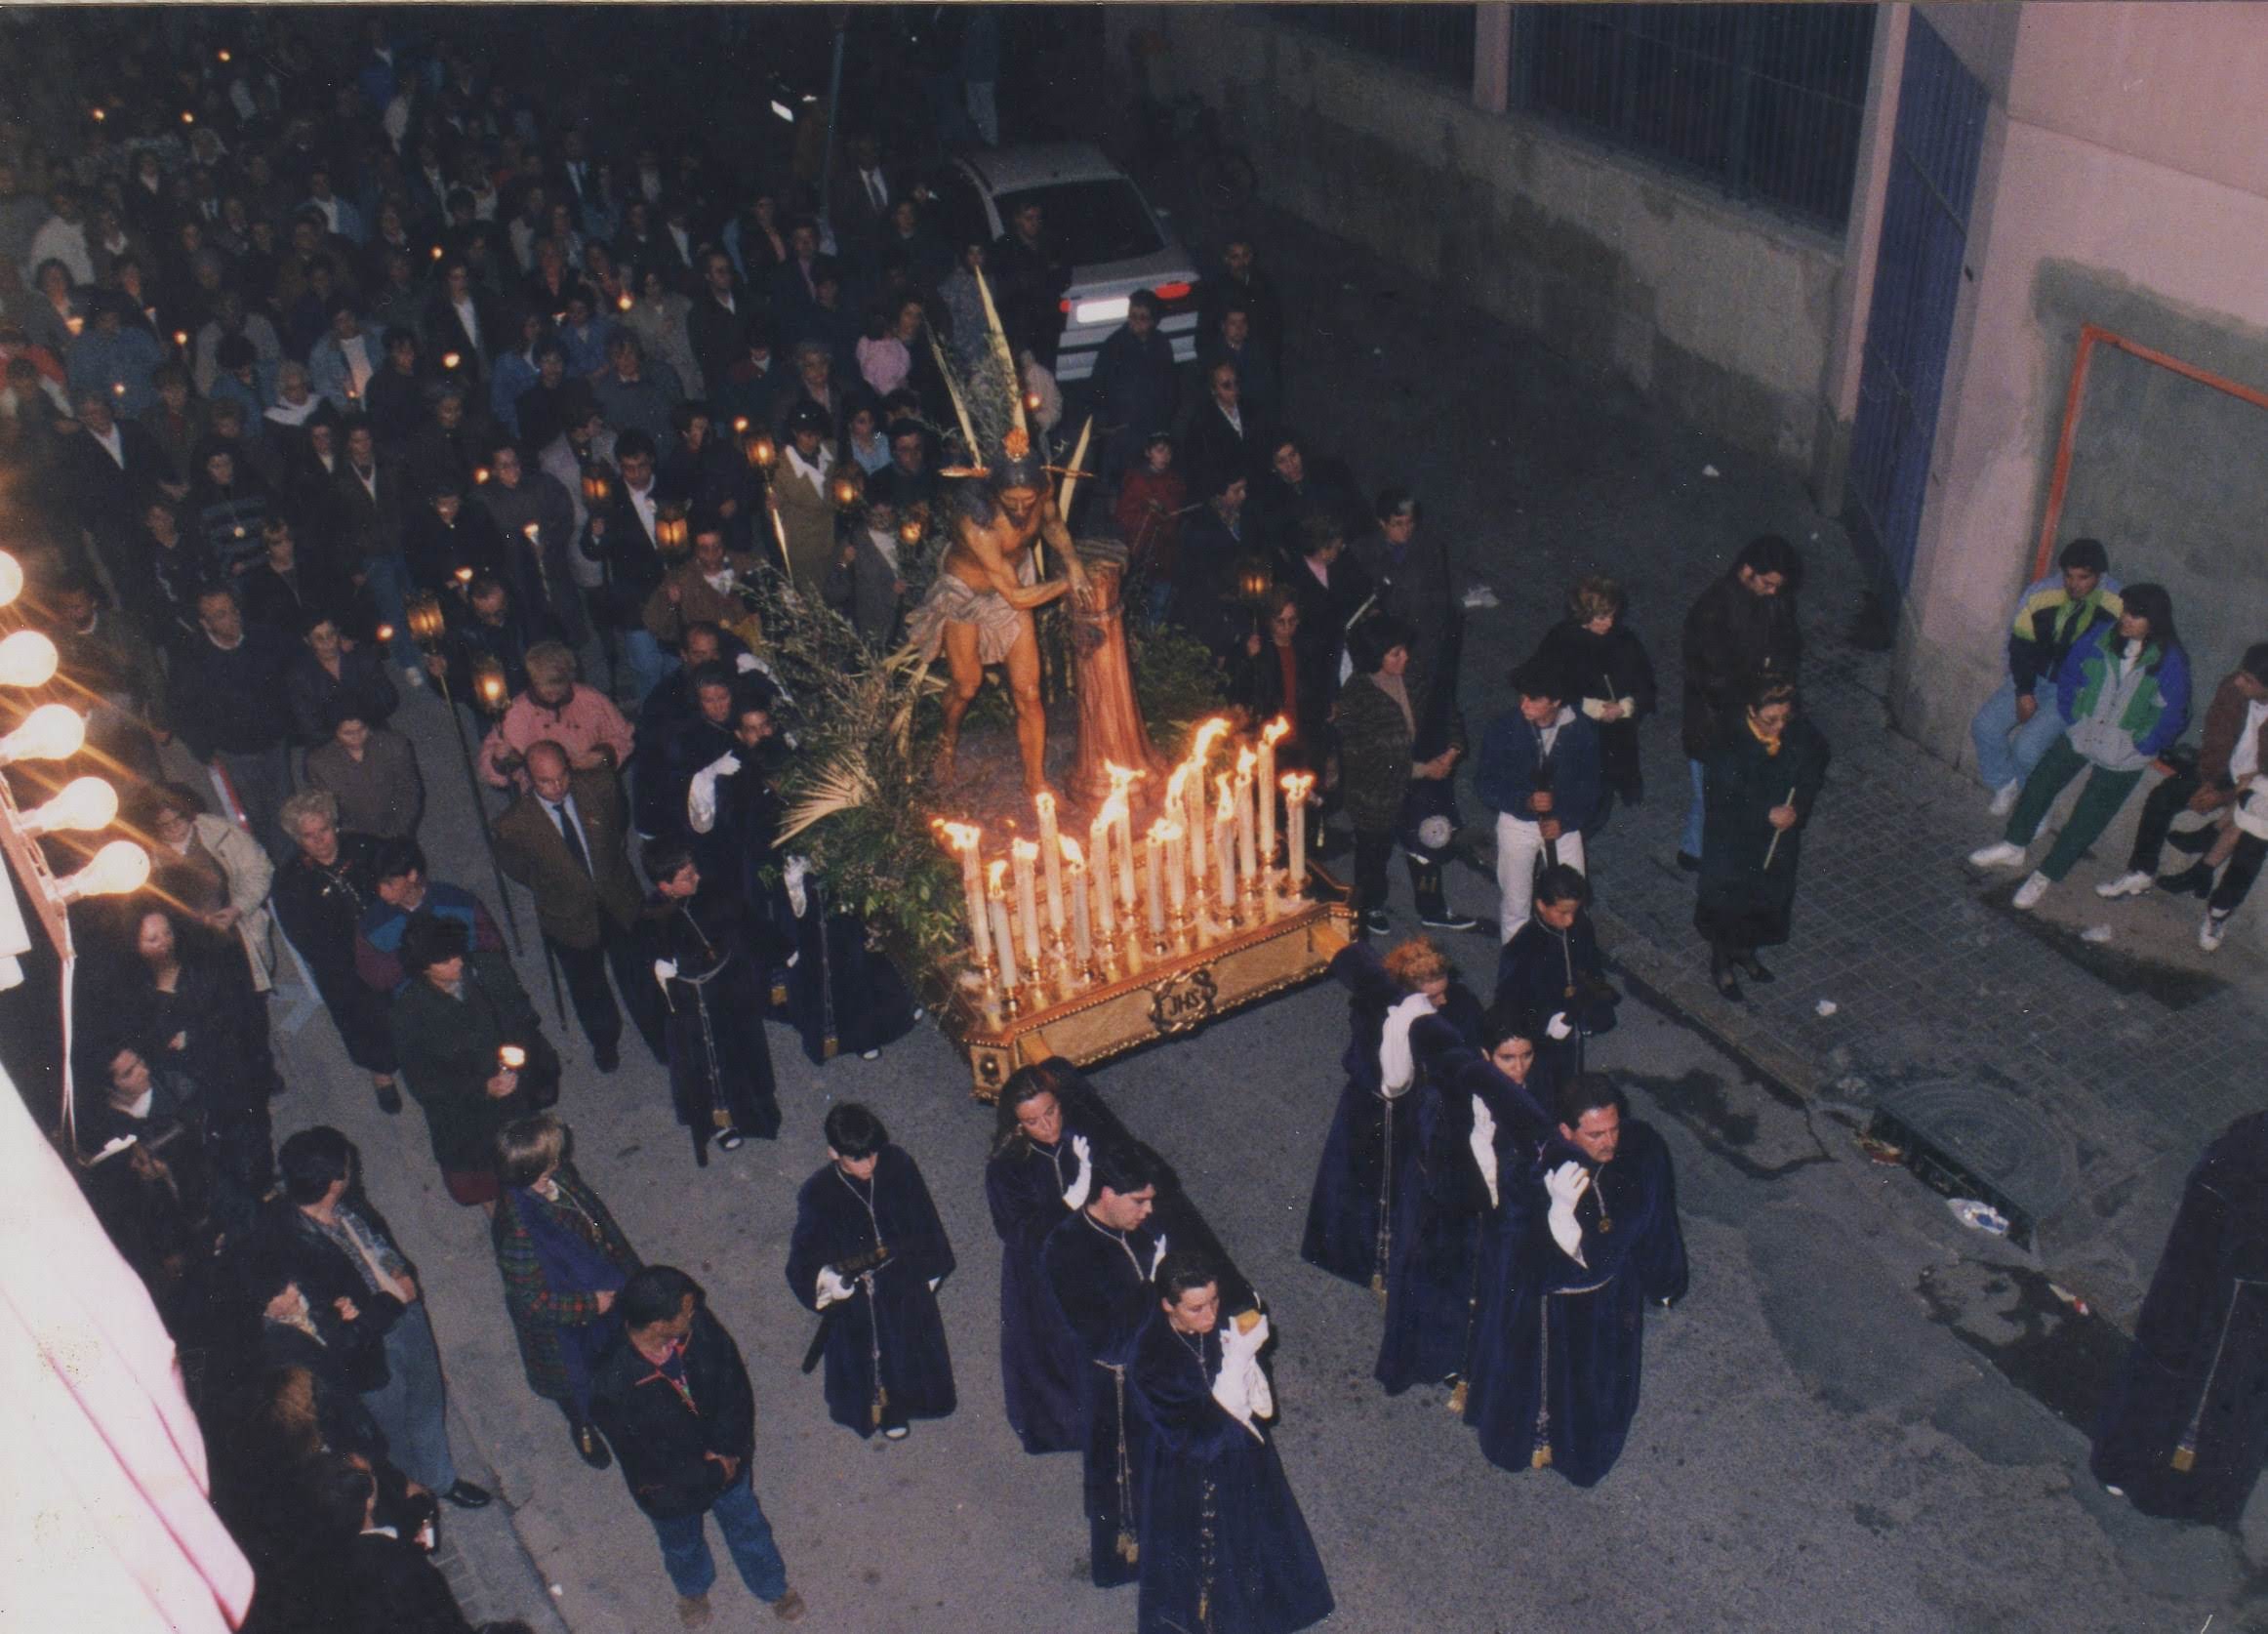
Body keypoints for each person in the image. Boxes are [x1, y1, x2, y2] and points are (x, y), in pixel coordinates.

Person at [1463, 1073, 1685, 1486]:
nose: (1609, 1142)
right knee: (1539, 1382)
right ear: (1566, 1131)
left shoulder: (1640, 1153)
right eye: (1595, 1134)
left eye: (1614, 1128)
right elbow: (1517, 1257)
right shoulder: (1533, 1173)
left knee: (1594, 1390)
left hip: (1607, 1303)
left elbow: (1656, 1225)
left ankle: (1581, 1455)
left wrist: (1665, 1281)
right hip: (1549, 1309)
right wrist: (1559, 1215)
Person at [263, 1127, 491, 1510]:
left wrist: (397, 1268)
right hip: (371, 1354)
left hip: (405, 1317)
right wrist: (390, 1301)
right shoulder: (289, 1246)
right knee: (393, 1428)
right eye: (346, 1168)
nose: (352, 1170)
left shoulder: (346, 1202)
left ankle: (441, 1479)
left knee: (427, 1399)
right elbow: (335, 1338)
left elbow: (376, 1240)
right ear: (332, 1183)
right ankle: (413, 1493)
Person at [587, 1265, 807, 1626]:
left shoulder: (698, 1328)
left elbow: (734, 1389)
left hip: (726, 1459)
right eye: (685, 1310)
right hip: (671, 1491)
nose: (695, 1312)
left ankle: (772, 1586)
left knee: (747, 1526)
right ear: (658, 1325)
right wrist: (711, 1472)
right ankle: (693, 1591)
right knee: (681, 1544)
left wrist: (726, 1451)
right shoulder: (611, 1384)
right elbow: (646, 1460)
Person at [1128, 1253, 1334, 1634]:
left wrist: (1249, 1359)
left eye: (1214, 1301)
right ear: (1168, 1306)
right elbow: (1199, 1441)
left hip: (1240, 1453)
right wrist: (1236, 1364)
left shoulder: (1215, 1321)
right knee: (1207, 1556)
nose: (1210, 1316)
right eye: (1196, 1309)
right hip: (1186, 1469)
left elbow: (1256, 1398)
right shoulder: (1149, 1359)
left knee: (1257, 1531)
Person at [1967, 583, 2190, 914]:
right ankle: (2014, 845)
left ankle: (2046, 874)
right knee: (2040, 783)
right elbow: (2071, 672)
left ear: (2154, 620)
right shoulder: (2102, 636)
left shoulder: (2171, 662)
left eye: (2135, 615)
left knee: (2088, 817)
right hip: (2082, 733)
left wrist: (2144, 742)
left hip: (2123, 754)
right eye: (2124, 611)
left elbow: (2174, 715)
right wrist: (2073, 715)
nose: (2125, 619)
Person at [2091, 1111, 2268, 1523]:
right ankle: (2158, 1477)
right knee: (2205, 1382)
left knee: (2180, 1369)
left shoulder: (2240, 1151)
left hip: (2213, 1293)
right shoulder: (2243, 1157)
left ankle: (2139, 1468)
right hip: (2227, 1303)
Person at [906, 434, 1091, 793]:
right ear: (994, 493)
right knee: (967, 685)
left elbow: (1052, 524)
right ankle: (947, 742)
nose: (1021, 510)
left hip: (1014, 582)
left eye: (1028, 501)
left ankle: (1035, 780)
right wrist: (1069, 582)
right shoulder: (977, 523)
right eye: (1011, 501)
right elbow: (1018, 598)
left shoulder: (1043, 492)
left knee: (1029, 692)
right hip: (968, 594)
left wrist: (1072, 561)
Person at [1301, 939, 1482, 1290]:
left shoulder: (1454, 1003)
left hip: (1422, 1110)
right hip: (1374, 1112)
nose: (1443, 1001)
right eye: (1433, 996)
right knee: (1364, 1189)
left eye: (1443, 991)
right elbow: (1389, 1080)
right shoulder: (1374, 1015)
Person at [785, 1103, 956, 1441]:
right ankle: (883, 1412)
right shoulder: (818, 1193)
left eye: (873, 1154)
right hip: (858, 1293)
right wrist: (829, 1281)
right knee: (868, 1355)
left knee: (907, 1347)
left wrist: (929, 1268)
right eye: (856, 1159)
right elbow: (804, 1257)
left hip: (902, 1279)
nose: (869, 1165)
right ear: (834, 1153)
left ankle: (905, 1406)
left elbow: (923, 1216)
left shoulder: (898, 1164)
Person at [1041, 1136, 1169, 1587]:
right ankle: (1128, 1561)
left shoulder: (1133, 1226)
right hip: (1113, 1386)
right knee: (1122, 1478)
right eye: (1139, 1202)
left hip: (1152, 1369)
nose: (1148, 1212)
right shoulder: (1066, 1249)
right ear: (1108, 1194)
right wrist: (1155, 1289)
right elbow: (1106, 1339)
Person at [495, 739, 667, 1072]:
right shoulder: (513, 825)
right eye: (545, 781)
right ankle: (605, 1042)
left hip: (619, 899)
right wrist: (559, 884)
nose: (557, 787)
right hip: (567, 915)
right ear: (529, 778)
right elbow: (517, 868)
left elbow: (617, 825)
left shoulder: (600, 787)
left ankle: (660, 1038)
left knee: (639, 974)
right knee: (588, 987)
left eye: (562, 776)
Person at [492, 1114, 642, 1471]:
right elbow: (534, 1301)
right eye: (552, 1156)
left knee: (616, 1360)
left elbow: (597, 1219)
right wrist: (590, 1304)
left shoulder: (558, 1178)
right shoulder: (517, 1233)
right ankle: (583, 1427)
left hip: (600, 1287)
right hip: (564, 1328)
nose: (560, 1160)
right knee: (574, 1386)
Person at [2095, 641, 2268, 942]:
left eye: (2249, 680)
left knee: (2254, 842)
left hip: (2261, 785)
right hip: (2225, 771)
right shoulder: (2232, 688)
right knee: (2163, 796)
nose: (2239, 682)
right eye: (2241, 673)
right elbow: (2215, 738)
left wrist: (2228, 796)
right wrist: (2210, 783)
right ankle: (2141, 871)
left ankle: (2218, 913)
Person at [389, 911, 558, 1209]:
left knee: (533, 1167)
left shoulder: (488, 970)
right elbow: (423, 1083)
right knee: (489, 1187)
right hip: (467, 1120)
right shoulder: (409, 1014)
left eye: (456, 953)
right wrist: (483, 1088)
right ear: (423, 969)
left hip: (514, 1099)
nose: (457, 963)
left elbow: (520, 1015)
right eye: (444, 961)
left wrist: (516, 1056)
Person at [985, 1063, 1106, 1456]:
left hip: (1093, 1257)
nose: (1048, 1126)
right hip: (1041, 1271)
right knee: (1058, 1353)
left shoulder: (1081, 1136)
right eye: (1033, 1121)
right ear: (1018, 1125)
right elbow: (1018, 1233)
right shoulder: (1005, 1168)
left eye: (1051, 1112)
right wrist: (1069, 1202)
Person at [641, 837, 782, 1164]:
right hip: (694, 1009)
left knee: (743, 1052)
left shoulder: (712, 893)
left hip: (730, 989)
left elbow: (745, 921)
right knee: (710, 1067)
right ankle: (721, 1124)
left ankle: (754, 1113)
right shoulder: (652, 917)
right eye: (687, 877)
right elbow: (647, 970)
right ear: (665, 886)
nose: (697, 878)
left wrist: (780, 949)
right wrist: (661, 969)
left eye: (694, 871)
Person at [1337, 613, 1472, 937]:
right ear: (1374, 656)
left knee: (1427, 846)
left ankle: (1432, 908)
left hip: (1419, 784)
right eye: (1395, 653)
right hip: (1376, 792)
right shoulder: (1356, 697)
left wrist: (1452, 749)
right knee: (1374, 853)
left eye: (1404, 650)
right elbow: (1368, 759)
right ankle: (1369, 905)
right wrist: (1425, 769)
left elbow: (1445, 711)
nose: (1405, 658)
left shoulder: (1413, 677)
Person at [1696, 679, 1831, 999]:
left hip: (1776, 840)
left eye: (1785, 718)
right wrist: (1764, 813)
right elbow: (1721, 800)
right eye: (1770, 720)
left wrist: (1797, 809)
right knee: (1729, 905)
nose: (1779, 727)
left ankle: (1745, 952)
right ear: (1751, 710)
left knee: (1763, 901)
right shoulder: (1726, 741)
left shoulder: (1794, 730)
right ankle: (1721, 962)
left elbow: (1818, 757)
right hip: (1734, 842)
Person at [1971, 540, 2124, 816]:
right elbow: (2019, 644)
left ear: (2099, 575)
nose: (2074, 585)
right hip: (2031, 677)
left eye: (2083, 578)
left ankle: (2037, 809)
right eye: (2068, 576)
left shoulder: (2117, 604)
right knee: (1985, 727)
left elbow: (2112, 662)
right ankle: (2005, 784)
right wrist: (2024, 691)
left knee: (2027, 750)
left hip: (2070, 691)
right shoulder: (2042, 593)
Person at [271, 790, 400, 1113]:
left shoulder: (366, 848)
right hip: (344, 965)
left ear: (334, 824)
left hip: (391, 944)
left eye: (324, 830)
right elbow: (304, 938)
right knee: (362, 1018)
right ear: (297, 838)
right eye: (309, 836)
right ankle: (381, 1073)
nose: (320, 841)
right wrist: (355, 961)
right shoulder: (289, 881)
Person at [1680, 535, 1802, 869]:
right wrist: (1759, 691)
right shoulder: (1712, 610)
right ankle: (1696, 852)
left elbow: (1788, 644)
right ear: (1747, 571)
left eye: (1778, 586)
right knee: (1711, 794)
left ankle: (1696, 850)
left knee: (1725, 792)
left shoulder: (1774, 600)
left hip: (1751, 717)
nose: (1773, 592)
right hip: (1713, 723)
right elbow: (1710, 678)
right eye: (1767, 583)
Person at [1478, 656, 1601, 943]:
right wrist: (1525, 802)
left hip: (1562, 828)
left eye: (1534, 700)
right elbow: (1485, 784)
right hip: (1517, 825)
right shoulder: (1504, 727)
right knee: (1516, 903)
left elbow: (1592, 789)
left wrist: (1565, 821)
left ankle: (1570, 956)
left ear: (1556, 701)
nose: (1524, 705)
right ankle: (1516, 958)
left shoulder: (1581, 730)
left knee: (1572, 901)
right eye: (1522, 697)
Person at [169, 583, 298, 858]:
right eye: (220, 615)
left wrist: (288, 725)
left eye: (232, 610)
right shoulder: (192, 659)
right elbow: (182, 711)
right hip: (234, 753)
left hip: (274, 743)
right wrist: (205, 751)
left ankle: (294, 862)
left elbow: (290, 677)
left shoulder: (262, 638)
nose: (231, 619)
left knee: (287, 809)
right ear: (205, 624)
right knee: (254, 815)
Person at [1533, 575, 1658, 831]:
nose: (1610, 623)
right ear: (1584, 615)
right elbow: (1547, 688)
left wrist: (1625, 706)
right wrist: (1593, 708)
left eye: (1612, 615)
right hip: (1576, 728)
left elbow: (1645, 683)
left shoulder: (1624, 640)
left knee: (1605, 785)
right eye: (1602, 617)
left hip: (1616, 728)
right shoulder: (1562, 641)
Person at [135, 780, 277, 999]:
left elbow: (259, 869)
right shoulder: (146, 855)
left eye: (178, 819)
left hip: (234, 931)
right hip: (186, 942)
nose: (174, 828)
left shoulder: (219, 831)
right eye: (164, 825)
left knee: (247, 993)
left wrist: (238, 908)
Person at [1354, 488, 1461, 741]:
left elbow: (1439, 601)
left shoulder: (1430, 548)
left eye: (1410, 522)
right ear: (1382, 523)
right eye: (1397, 524)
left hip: (1420, 641)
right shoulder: (1362, 552)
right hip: (1383, 647)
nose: (1406, 530)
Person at [1495, 864, 1618, 1082]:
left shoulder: (1580, 926)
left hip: (1574, 1015)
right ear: (1541, 905)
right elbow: (1509, 1007)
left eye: (1574, 911)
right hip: (1542, 1034)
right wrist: (1547, 1022)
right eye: (1563, 913)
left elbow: (1591, 966)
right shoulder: (1520, 950)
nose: (1570, 920)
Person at [474, 638, 635, 789]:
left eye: (558, 684)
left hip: (592, 783)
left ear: (570, 678)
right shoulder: (517, 711)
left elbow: (623, 737)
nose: (551, 692)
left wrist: (603, 756)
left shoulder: (591, 700)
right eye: (542, 684)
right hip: (542, 792)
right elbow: (488, 769)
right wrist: (499, 760)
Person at [304, 704, 425, 842]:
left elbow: (410, 790)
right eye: (348, 733)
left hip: (398, 828)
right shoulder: (319, 763)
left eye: (361, 729)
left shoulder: (395, 745)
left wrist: (399, 830)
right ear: (334, 732)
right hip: (353, 835)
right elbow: (327, 810)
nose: (357, 737)